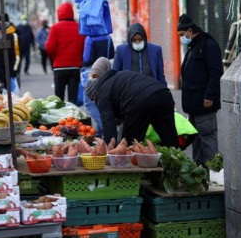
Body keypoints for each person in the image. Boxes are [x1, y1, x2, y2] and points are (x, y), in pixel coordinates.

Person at [85, 57, 179, 147]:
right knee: (169, 139)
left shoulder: (100, 91)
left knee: (129, 144)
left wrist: (109, 148)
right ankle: (177, 160)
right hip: (164, 94)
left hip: (140, 102)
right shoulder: (118, 76)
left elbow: (108, 123)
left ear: (94, 93)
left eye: (93, 99)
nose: (96, 101)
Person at [177, 14, 223, 166]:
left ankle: (215, 174)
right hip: (195, 107)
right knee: (196, 140)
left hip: (205, 105)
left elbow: (216, 73)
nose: (181, 38)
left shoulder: (208, 46)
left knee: (208, 140)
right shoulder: (194, 46)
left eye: (182, 35)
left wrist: (209, 95)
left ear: (190, 31)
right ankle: (200, 171)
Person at [46, 2, 86, 104]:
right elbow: (84, 47)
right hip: (75, 67)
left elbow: (49, 48)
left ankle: (61, 118)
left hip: (59, 67)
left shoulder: (55, 28)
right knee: (73, 98)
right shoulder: (79, 27)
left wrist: (54, 58)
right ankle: (72, 118)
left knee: (59, 99)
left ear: (59, 14)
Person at [0, 14, 21, 90]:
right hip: (4, 71)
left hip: (10, 71)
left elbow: (17, 55)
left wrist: (14, 70)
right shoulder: (2, 35)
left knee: (13, 95)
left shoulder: (12, 35)